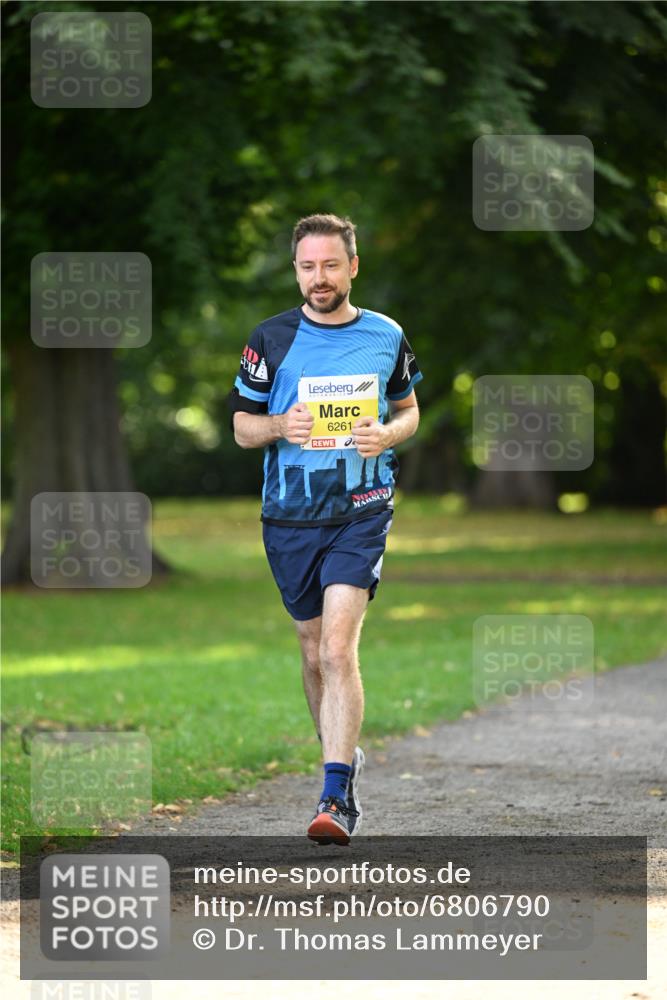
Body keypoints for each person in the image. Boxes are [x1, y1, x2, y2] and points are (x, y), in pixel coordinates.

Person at [229, 213, 423, 845]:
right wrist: (281, 425)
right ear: (296, 270)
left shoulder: (386, 334)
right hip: (289, 516)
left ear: (352, 267)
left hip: (363, 508)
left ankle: (334, 798)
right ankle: (341, 759)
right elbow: (241, 425)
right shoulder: (270, 338)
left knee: (339, 649)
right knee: (312, 653)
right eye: (308, 266)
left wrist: (386, 434)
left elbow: (409, 409)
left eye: (330, 265)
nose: (319, 277)